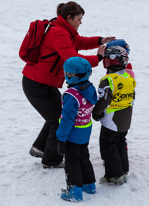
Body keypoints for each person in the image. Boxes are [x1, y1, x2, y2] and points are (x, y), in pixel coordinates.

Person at [22, 1, 115, 168]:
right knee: (59, 119)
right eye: (79, 19)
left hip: (42, 82)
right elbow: (73, 60)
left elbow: (79, 42)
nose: (81, 22)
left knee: (58, 114)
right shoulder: (59, 33)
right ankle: (52, 160)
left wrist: (100, 40)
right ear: (69, 17)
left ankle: (39, 148)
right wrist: (98, 58)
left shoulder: (64, 30)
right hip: (37, 84)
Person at [92, 44, 136, 185]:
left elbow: (104, 100)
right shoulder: (128, 78)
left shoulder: (108, 80)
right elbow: (132, 97)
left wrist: (96, 112)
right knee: (120, 143)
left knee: (108, 146)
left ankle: (114, 175)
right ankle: (123, 170)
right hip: (125, 117)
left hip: (111, 119)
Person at [56, 57, 97, 202]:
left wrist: (61, 138)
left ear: (70, 76)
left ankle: (74, 191)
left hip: (72, 135)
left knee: (72, 162)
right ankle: (89, 184)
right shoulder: (90, 89)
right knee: (84, 158)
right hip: (85, 132)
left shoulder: (71, 96)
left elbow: (67, 120)